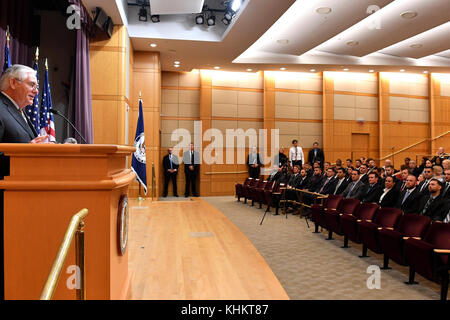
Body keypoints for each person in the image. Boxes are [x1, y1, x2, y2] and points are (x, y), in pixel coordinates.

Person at [0, 65, 48, 144]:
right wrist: (26, 150)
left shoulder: (18, 110)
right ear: (13, 83)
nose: (36, 91)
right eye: (32, 85)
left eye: (37, 87)